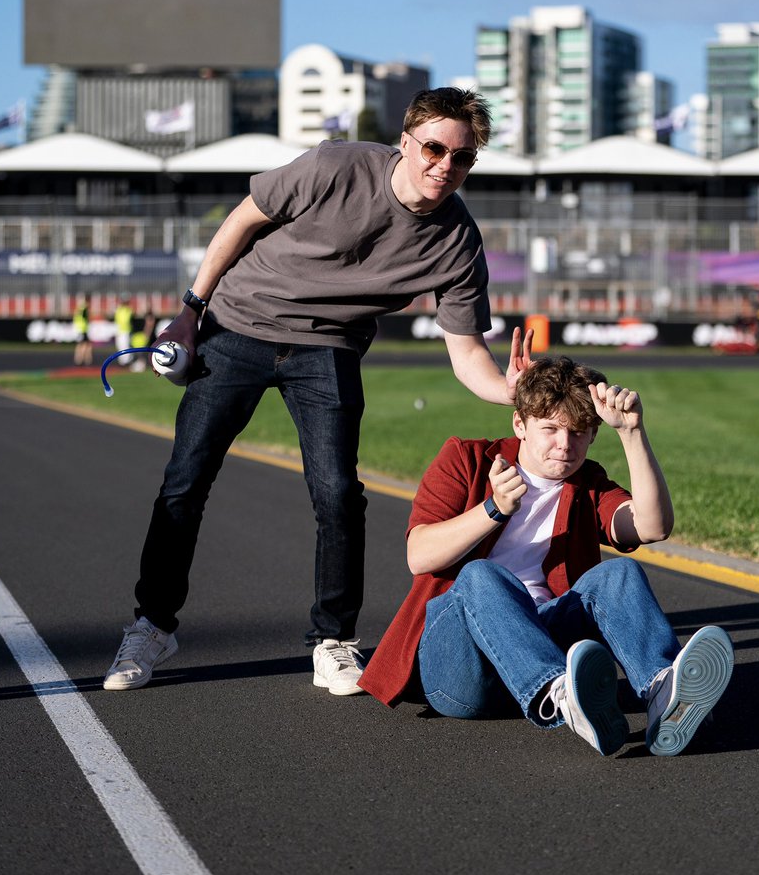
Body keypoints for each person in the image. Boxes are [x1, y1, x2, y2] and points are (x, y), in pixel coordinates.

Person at [103, 88, 534, 693]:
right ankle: (152, 626)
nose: (445, 166)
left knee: (337, 493)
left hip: (326, 349)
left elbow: (466, 354)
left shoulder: (458, 242)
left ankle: (333, 640)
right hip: (238, 325)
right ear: (406, 142)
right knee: (185, 481)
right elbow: (244, 218)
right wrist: (190, 312)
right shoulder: (337, 166)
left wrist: (511, 391)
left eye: (462, 158)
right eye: (434, 148)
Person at [359, 356, 734, 757]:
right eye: (550, 429)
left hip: (544, 634)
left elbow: (652, 527)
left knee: (620, 572)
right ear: (519, 424)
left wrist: (632, 433)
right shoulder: (465, 459)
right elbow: (420, 556)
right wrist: (494, 510)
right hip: (462, 668)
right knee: (481, 575)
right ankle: (562, 693)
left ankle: (664, 693)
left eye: (578, 432)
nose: (564, 445)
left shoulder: (588, 482)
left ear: (592, 435)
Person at [72, 294, 93, 366]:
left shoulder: (80, 307)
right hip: (82, 329)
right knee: (83, 345)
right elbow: (85, 317)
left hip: (80, 329)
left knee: (84, 345)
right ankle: (81, 360)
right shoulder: (84, 308)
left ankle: (83, 360)